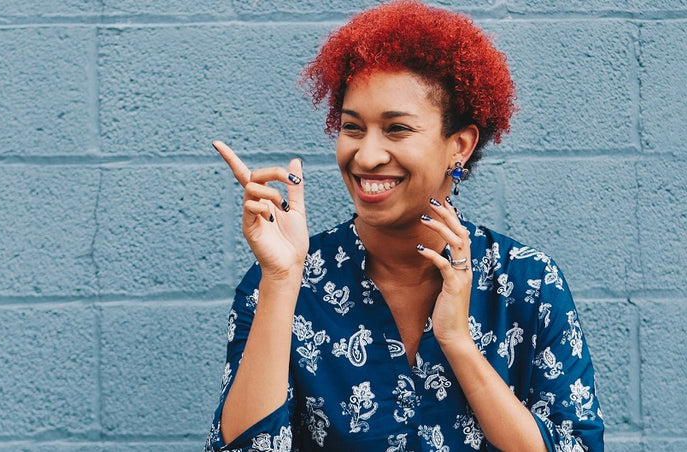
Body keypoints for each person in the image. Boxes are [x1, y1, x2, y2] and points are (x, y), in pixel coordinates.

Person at [205, 1, 604, 450]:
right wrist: (280, 280)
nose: (367, 155)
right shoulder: (282, 282)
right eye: (353, 128)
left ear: (460, 145)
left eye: (396, 130)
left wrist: (458, 343)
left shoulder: (527, 282)